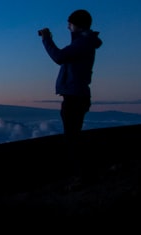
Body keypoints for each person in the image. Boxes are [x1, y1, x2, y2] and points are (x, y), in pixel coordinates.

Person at [38, 10, 102, 143]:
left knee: (72, 136)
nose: (68, 27)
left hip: (75, 97)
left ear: (79, 25)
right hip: (77, 95)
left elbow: (59, 57)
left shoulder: (82, 43)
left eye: (70, 24)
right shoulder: (84, 43)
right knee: (73, 133)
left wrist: (46, 39)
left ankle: (74, 161)